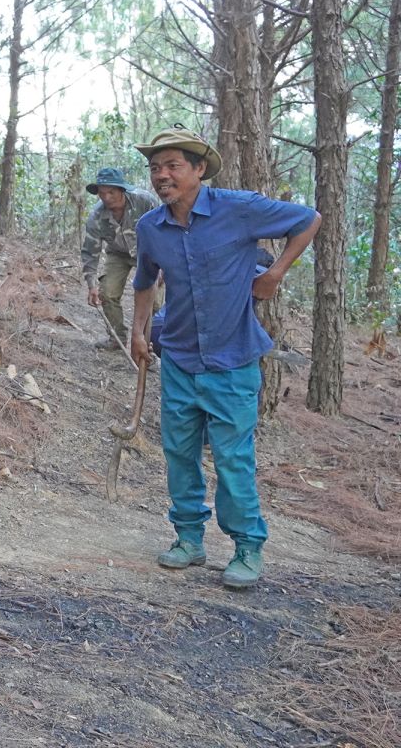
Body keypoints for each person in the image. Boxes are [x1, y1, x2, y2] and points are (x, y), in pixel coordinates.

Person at [130, 125, 320, 589]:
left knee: (234, 458)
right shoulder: (150, 228)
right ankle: (189, 540)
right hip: (178, 359)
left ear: (199, 170)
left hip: (233, 360)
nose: (162, 176)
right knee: (179, 452)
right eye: (156, 168)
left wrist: (275, 272)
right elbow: (143, 282)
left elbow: (308, 218)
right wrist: (138, 332)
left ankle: (247, 548)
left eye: (173, 165)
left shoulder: (239, 209)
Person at [80, 167, 160, 349]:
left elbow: (164, 231)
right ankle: (117, 339)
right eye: (102, 193)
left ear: (122, 190)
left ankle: (150, 345)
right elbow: (90, 252)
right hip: (117, 254)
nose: (107, 197)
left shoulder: (145, 202)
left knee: (154, 302)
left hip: (148, 253)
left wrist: (163, 265)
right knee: (107, 293)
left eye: (111, 192)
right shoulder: (96, 217)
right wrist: (91, 285)